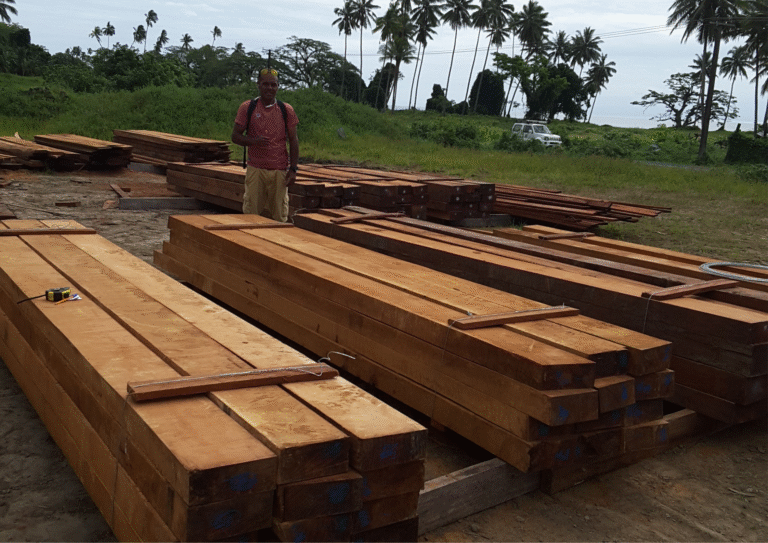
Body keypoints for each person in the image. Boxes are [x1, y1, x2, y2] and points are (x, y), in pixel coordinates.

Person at [231, 68, 299, 222]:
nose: (270, 88)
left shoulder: (286, 110)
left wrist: (293, 169)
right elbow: (235, 136)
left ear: (278, 87)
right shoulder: (248, 107)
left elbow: (294, 140)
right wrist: (253, 141)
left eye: (273, 85)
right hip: (256, 169)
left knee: (279, 217)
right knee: (251, 216)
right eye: (266, 84)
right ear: (258, 85)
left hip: (279, 171)